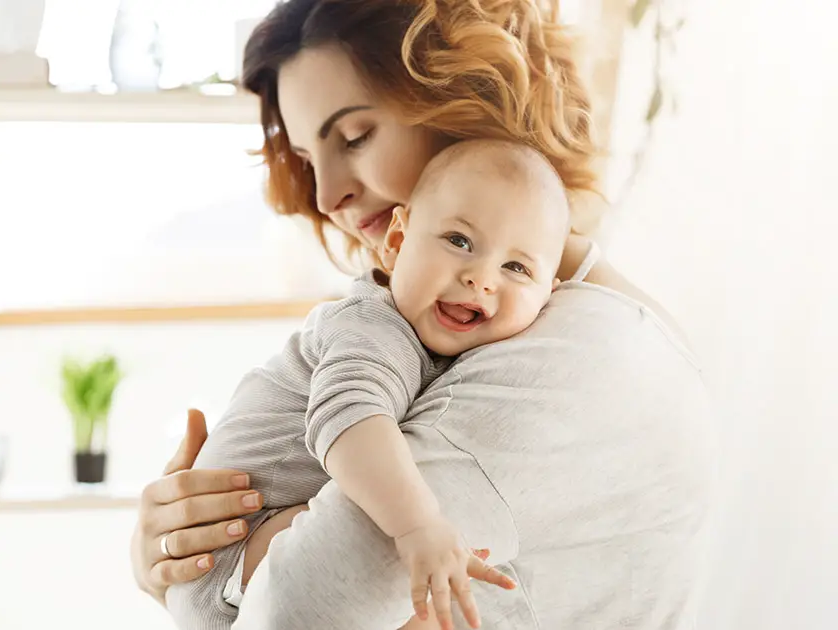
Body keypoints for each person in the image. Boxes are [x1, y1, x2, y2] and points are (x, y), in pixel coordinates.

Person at [130, 1, 716, 628]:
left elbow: (301, 609)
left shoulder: (575, 355)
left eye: (355, 137)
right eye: (307, 157)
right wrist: (167, 560)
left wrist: (225, 565)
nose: (327, 197)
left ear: (467, 93)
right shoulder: (454, 321)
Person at [165, 139, 570, 630]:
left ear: (551, 294)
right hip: (235, 552)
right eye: (459, 241)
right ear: (397, 243)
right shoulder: (375, 329)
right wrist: (420, 526)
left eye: (516, 268)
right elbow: (350, 422)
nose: (481, 278)